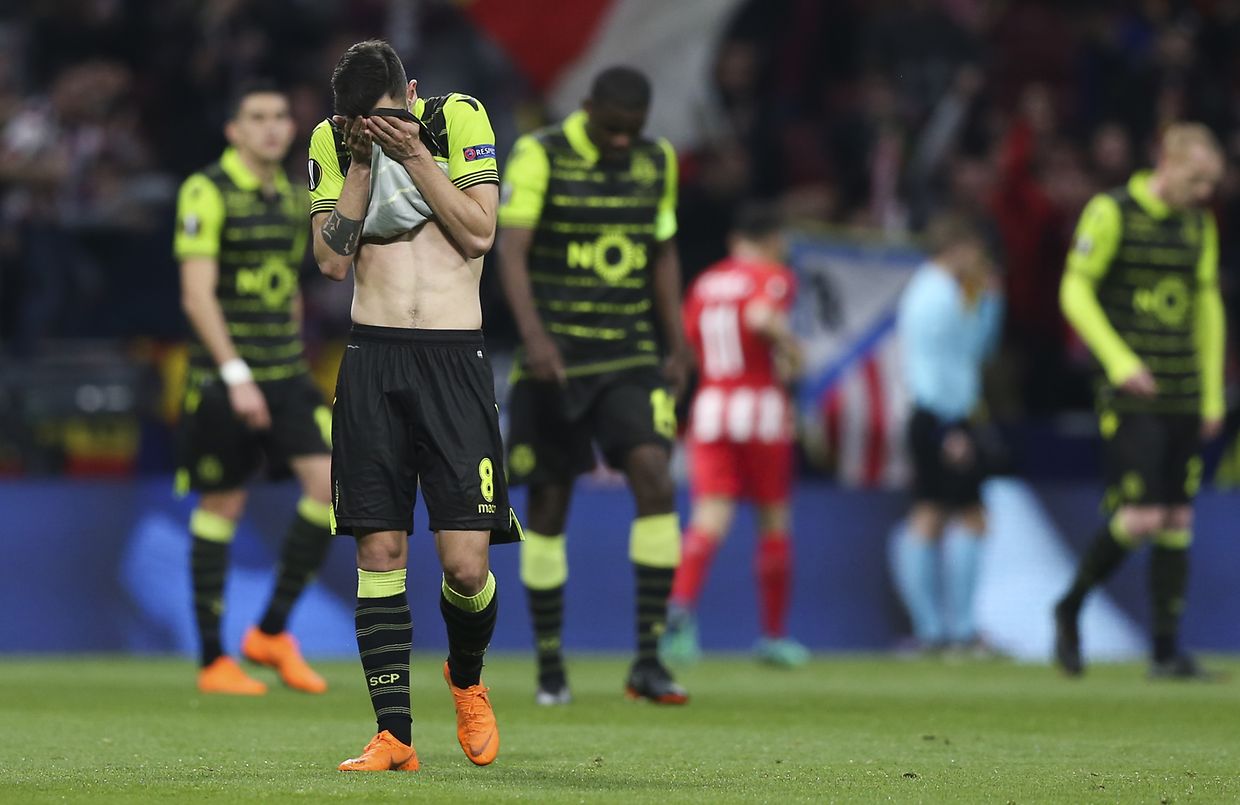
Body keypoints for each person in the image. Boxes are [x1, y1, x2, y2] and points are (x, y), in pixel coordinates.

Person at [308, 40, 520, 772]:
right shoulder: (335, 143)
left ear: (414, 93)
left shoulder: (457, 118)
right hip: (372, 359)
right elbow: (333, 261)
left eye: (389, 119)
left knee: (465, 565)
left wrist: (416, 155)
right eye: (364, 125)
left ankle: (465, 678)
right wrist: (364, 164)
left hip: (455, 361)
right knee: (380, 548)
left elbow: (479, 233)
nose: (379, 131)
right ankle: (393, 733)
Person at [496, 66, 691, 705]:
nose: (620, 143)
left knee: (655, 480)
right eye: (611, 129)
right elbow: (512, 250)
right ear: (586, 108)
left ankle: (648, 661)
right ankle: (551, 665)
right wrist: (534, 338)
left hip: (629, 354)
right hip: (555, 360)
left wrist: (678, 341)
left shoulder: (656, 161)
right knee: (549, 507)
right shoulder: (540, 154)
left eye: (632, 132)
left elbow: (662, 254)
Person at [173, 80, 334, 697]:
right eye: (257, 117)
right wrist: (237, 373)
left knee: (330, 487)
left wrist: (290, 351)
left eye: (279, 117)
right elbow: (196, 295)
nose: (271, 126)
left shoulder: (295, 200)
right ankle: (214, 659)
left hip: (286, 372)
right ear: (233, 131)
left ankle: (270, 630)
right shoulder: (206, 191)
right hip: (222, 379)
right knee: (223, 504)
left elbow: (290, 288)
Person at [1053, 123, 1226, 680]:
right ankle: (1070, 605)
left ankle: (1165, 653)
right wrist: (1118, 360)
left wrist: (1212, 390)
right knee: (1143, 514)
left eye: (1211, 184)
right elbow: (1073, 290)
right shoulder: (1111, 212)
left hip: (1183, 387)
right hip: (1131, 393)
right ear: (1167, 163)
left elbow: (1207, 309)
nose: (1204, 194)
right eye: (1197, 180)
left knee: (1177, 517)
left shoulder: (1198, 225)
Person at [660, 205, 809, 668]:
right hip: (760, 409)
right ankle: (773, 635)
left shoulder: (705, 284)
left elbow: (686, 346)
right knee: (773, 521)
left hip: (712, 407)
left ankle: (679, 619)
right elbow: (763, 318)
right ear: (772, 239)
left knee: (708, 520)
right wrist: (793, 349)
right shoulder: (771, 274)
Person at [891, 213, 1002, 653]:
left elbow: (975, 352)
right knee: (965, 516)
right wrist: (947, 429)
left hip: (939, 415)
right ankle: (956, 630)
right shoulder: (935, 298)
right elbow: (934, 371)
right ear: (956, 248)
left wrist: (990, 302)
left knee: (932, 515)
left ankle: (934, 631)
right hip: (943, 416)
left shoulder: (938, 291)